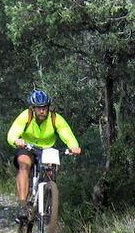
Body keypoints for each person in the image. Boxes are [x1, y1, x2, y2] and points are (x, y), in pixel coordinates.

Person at [6, 89, 82, 222]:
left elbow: (66, 133)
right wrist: (16, 140)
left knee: (51, 173)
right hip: (28, 147)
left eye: (44, 108)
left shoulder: (55, 118)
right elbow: (12, 133)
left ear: (48, 107)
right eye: (38, 108)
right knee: (24, 164)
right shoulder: (26, 116)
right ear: (33, 108)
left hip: (48, 149)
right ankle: (23, 205)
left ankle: (46, 203)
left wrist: (74, 146)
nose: (42, 111)